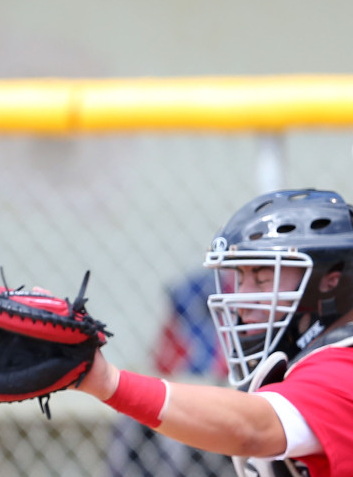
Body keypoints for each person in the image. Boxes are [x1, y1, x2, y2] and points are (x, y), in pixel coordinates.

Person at [76, 188, 353, 476]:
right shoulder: (314, 364)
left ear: (330, 283)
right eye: (240, 278)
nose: (242, 301)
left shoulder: (343, 367)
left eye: (262, 279)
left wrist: (109, 383)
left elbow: (252, 430)